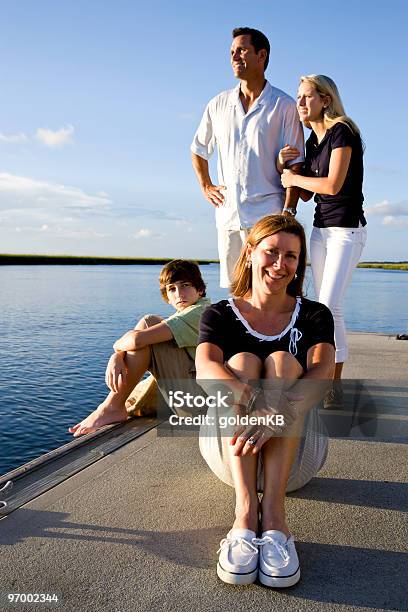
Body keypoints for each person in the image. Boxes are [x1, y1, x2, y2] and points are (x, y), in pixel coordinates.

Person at [195, 215, 335, 587]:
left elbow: (323, 373)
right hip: (232, 454)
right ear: (250, 253)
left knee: (283, 362)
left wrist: (278, 409)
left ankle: (274, 518)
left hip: (296, 462)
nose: (280, 264)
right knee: (240, 363)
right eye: (271, 252)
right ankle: (244, 513)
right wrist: (251, 397)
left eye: (291, 256)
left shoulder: (315, 314)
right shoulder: (220, 314)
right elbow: (205, 366)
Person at [191, 27, 304, 288]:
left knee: (269, 288)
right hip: (228, 213)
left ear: (261, 55)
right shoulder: (218, 104)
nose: (234, 57)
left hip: (269, 215)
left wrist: (288, 212)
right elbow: (198, 148)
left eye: (241, 50)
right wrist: (206, 185)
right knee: (235, 290)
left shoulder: (284, 105)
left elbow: (296, 164)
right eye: (232, 52)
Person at [279, 75, 367, 407]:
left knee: (330, 308)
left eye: (306, 97)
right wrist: (284, 166)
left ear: (325, 99)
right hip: (320, 231)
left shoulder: (343, 131)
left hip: (347, 230)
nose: (299, 103)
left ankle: (332, 384)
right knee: (321, 307)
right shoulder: (313, 142)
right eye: (298, 98)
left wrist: (293, 176)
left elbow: (332, 185)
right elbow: (302, 194)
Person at [69, 260, 210, 437]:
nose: (179, 293)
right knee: (153, 327)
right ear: (166, 296)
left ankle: (112, 407)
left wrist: (116, 351)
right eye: (171, 289)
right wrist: (119, 355)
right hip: (199, 401)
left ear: (200, 289)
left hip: (202, 408)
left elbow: (136, 340)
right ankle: (113, 406)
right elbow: (138, 341)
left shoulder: (201, 312)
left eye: (185, 285)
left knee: (149, 322)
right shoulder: (191, 313)